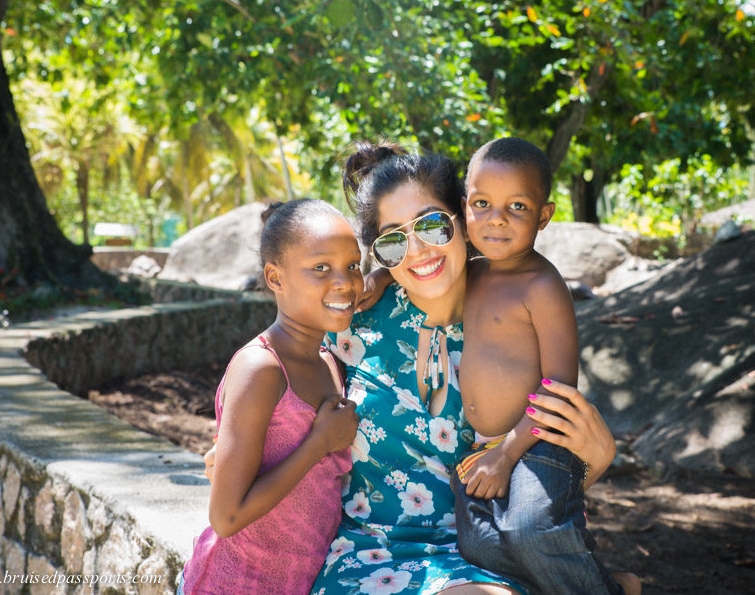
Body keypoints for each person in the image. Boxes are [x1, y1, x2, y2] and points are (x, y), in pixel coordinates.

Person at [203, 143, 623, 594]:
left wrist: (595, 462)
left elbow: (545, 481)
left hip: (479, 554)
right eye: (393, 240)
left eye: (432, 225)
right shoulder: (352, 324)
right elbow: (272, 423)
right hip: (365, 555)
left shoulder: (513, 321)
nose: (418, 250)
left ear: (461, 220)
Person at [451, 137, 639, 594]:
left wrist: (507, 453)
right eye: (482, 203)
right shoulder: (470, 272)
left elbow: (558, 386)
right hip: (483, 445)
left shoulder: (542, 284)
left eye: (517, 206)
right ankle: (610, 585)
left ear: (544, 215)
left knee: (531, 531)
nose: (496, 218)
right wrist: (375, 274)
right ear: (464, 207)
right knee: (478, 547)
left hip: (539, 444)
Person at [181, 200, 363, 594]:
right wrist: (319, 443)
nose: (345, 282)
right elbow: (226, 517)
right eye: (321, 268)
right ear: (275, 278)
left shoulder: (329, 361)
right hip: (235, 583)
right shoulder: (261, 368)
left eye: (353, 265)